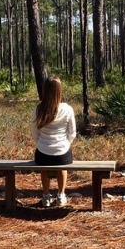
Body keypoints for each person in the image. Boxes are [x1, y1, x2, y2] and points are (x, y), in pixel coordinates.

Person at [31, 75, 76, 207]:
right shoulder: (67, 109)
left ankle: (46, 196)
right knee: (62, 166)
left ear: (45, 90)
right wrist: (64, 145)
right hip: (62, 153)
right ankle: (61, 195)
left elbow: (34, 133)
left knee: (44, 167)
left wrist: (43, 143)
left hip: (42, 153)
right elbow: (72, 133)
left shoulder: (38, 109)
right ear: (59, 90)